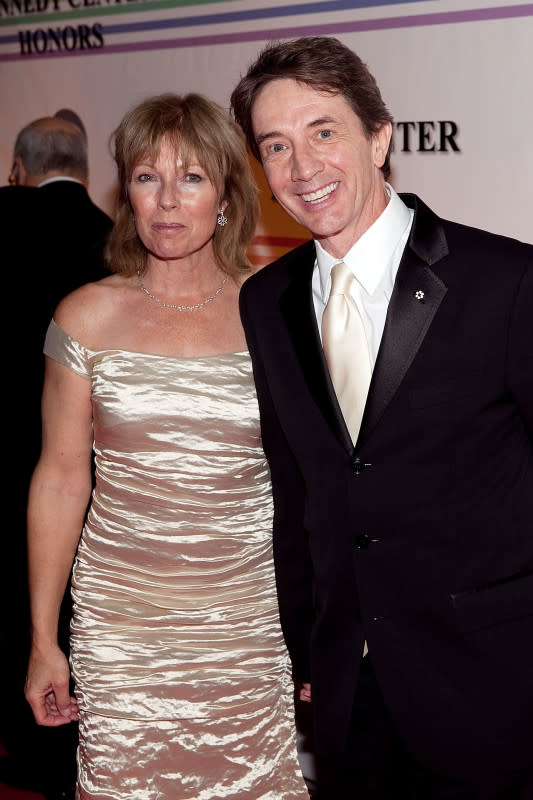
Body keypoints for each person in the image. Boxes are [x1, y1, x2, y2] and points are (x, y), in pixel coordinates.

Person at [230, 36, 533, 799]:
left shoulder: (506, 281)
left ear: (378, 135)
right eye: (276, 145)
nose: (302, 168)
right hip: (346, 691)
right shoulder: (264, 302)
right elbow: (295, 493)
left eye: (322, 131)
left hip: (496, 685)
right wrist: (308, 653)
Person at [23, 92, 309, 800]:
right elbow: (60, 479)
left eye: (191, 178)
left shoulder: (275, 312)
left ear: (226, 194)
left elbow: (313, 482)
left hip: (245, 619)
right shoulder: (85, 315)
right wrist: (41, 637)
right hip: (123, 625)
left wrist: (320, 626)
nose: (167, 201)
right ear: (127, 194)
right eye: (148, 177)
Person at [1, 111, 112, 800]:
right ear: (88, 169)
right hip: (84, 474)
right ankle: (64, 755)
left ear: (19, 168)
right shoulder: (117, 245)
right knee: (65, 611)